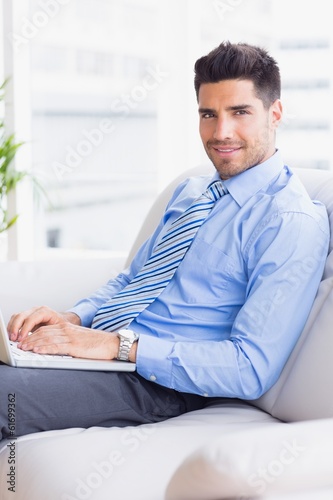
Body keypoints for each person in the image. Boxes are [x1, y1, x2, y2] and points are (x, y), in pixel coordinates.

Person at [0, 41, 329, 441]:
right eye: (209, 114)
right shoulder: (192, 192)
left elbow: (250, 368)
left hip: (158, 382)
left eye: (240, 112)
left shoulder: (290, 221)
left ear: (274, 113)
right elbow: (131, 281)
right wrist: (73, 320)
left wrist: (117, 347)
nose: (221, 132)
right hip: (99, 353)